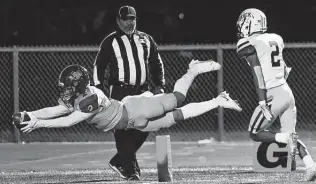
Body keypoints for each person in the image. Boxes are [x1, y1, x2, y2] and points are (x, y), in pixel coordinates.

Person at [13, 61, 241, 165]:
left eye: (69, 87)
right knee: (175, 118)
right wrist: (32, 114)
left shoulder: (91, 97)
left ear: (79, 85)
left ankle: (192, 70)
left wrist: (38, 125)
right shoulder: (76, 96)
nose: (66, 92)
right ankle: (218, 101)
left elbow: (69, 121)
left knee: (177, 100)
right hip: (131, 123)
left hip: (133, 109)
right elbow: (57, 110)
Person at [236, 8, 316, 181]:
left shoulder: (248, 42)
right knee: (291, 138)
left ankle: (287, 140)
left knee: (255, 132)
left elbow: (257, 73)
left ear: (250, 23)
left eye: (243, 21)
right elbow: (286, 69)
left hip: (273, 93)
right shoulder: (276, 38)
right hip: (287, 92)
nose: (241, 25)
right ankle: (311, 165)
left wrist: (262, 100)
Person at [92, 5, 165, 180]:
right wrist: (98, 87)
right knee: (123, 131)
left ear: (136, 20)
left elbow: (156, 62)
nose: (129, 22)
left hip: (142, 89)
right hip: (120, 90)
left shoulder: (146, 39)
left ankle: (120, 159)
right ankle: (132, 171)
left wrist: (160, 84)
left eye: (132, 19)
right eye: (125, 19)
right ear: (118, 21)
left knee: (147, 124)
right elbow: (99, 65)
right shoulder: (111, 41)